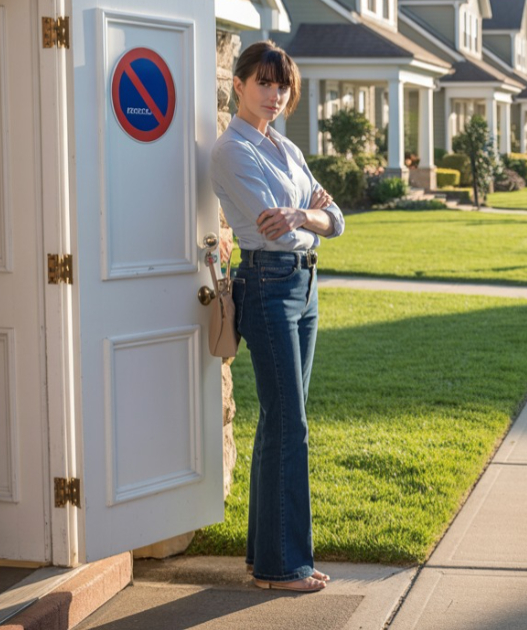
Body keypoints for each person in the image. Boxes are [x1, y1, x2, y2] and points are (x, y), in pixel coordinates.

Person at [210, 41, 346, 592]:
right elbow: (281, 226)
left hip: (305, 285)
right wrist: (308, 215)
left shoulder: (285, 148)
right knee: (290, 424)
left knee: (279, 423)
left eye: (282, 85)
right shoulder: (232, 151)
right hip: (267, 285)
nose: (274, 94)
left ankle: (265, 556)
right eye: (263, 83)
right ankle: (283, 566)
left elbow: (335, 219)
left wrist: (305, 214)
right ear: (238, 85)